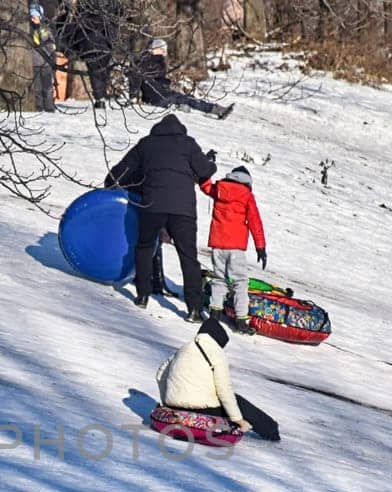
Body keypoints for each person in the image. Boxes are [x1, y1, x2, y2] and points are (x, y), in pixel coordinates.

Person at [105, 113, 218, 316]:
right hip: (183, 210)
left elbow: (118, 174)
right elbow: (204, 170)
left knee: (145, 247)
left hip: (153, 205)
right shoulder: (188, 144)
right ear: (180, 129)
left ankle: (142, 295)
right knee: (188, 257)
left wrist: (114, 184)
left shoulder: (146, 144)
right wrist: (212, 164)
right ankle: (194, 309)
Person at [157, 315, 281, 440]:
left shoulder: (183, 349)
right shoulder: (216, 353)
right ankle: (272, 430)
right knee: (238, 402)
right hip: (202, 408)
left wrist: (167, 400)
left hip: (173, 405)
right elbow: (224, 390)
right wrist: (238, 419)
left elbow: (160, 374)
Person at [200, 165, 267, 333]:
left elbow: (204, 185)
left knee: (219, 278)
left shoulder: (219, 188)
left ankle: (215, 312)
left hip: (218, 244)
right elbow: (254, 221)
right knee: (240, 282)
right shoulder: (247, 196)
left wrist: (206, 166)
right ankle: (241, 320)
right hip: (236, 247)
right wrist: (261, 247)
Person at [134, 39, 233, 120]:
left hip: (155, 96)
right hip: (159, 98)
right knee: (188, 99)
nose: (162, 53)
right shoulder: (156, 62)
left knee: (184, 97)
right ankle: (217, 110)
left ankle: (211, 108)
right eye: (160, 50)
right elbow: (152, 79)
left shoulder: (144, 62)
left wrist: (134, 95)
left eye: (163, 50)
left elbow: (152, 79)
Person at [77, 0, 121, 109]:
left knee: (97, 69)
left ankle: (100, 96)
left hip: (95, 37)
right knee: (100, 69)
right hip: (101, 37)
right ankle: (100, 96)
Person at [28, 4, 57, 113]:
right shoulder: (29, 30)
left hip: (46, 63)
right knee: (37, 87)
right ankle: (38, 106)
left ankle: (49, 106)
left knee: (48, 86)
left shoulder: (46, 29)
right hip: (34, 62)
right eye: (31, 17)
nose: (33, 19)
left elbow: (51, 44)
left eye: (35, 17)